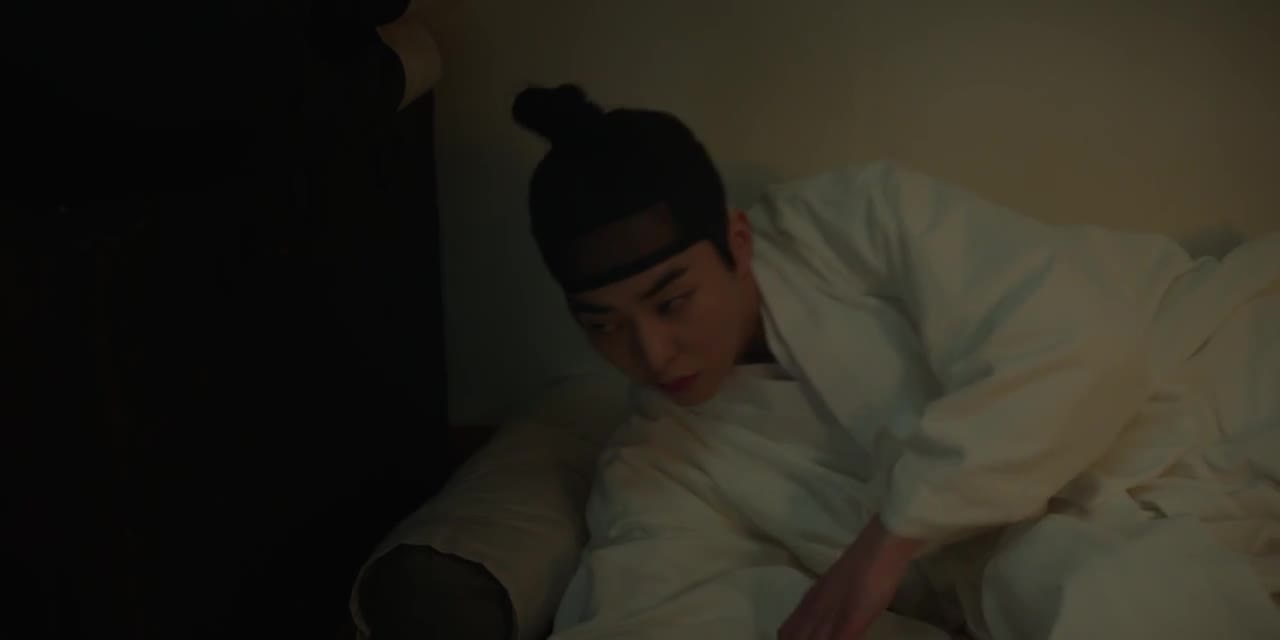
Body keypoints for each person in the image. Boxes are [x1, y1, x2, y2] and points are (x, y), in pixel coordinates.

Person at [513, 84, 1280, 639]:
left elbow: (1079, 342)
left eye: (672, 300)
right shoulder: (661, 459)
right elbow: (652, 599)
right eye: (604, 326)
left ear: (737, 242)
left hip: (1187, 367)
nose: (651, 353)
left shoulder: (851, 221)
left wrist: (891, 539)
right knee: (1075, 584)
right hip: (1063, 544)